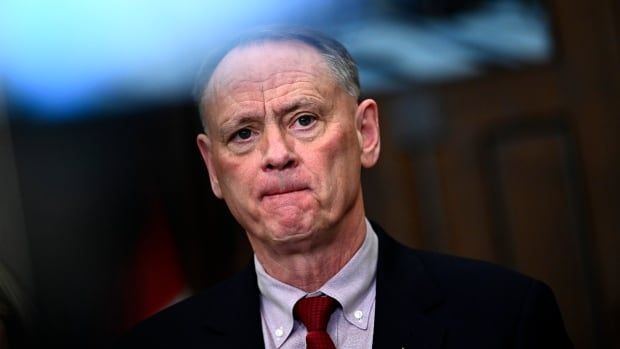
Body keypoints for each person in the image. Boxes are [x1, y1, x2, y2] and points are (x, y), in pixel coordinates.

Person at [117, 28, 572, 348]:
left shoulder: (506, 318)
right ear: (213, 168)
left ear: (365, 133)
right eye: (244, 134)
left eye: (304, 119)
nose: (277, 154)